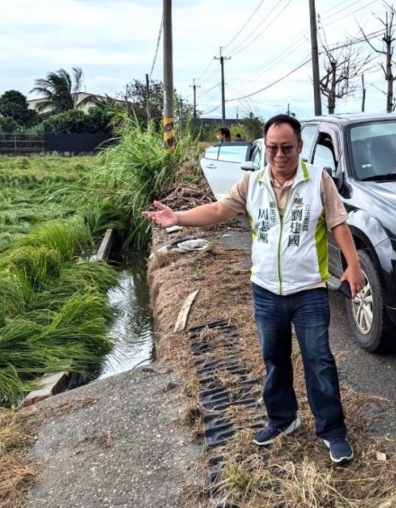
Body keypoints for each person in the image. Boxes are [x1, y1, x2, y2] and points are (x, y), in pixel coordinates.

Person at [143, 114, 363, 464]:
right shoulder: (252, 183)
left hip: (308, 291)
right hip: (266, 291)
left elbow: (338, 223)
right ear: (265, 147)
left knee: (318, 361)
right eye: (272, 148)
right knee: (274, 360)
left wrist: (353, 265)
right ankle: (282, 419)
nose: (279, 155)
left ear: (300, 147)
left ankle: (332, 431)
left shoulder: (318, 181)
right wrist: (178, 218)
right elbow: (217, 210)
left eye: (286, 148)